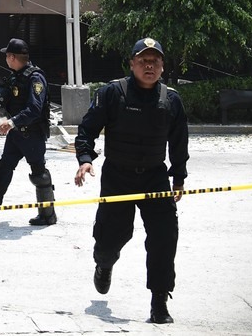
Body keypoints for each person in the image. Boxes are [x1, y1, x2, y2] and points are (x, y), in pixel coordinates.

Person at [74, 37, 189, 325]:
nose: (149, 65)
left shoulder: (171, 99)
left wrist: (179, 177)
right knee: (112, 237)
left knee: (164, 238)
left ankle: (159, 302)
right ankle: (104, 262)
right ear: (132, 64)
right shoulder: (113, 93)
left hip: (154, 177)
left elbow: (179, 143)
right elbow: (87, 129)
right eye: (143, 60)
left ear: (162, 66)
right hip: (117, 176)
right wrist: (86, 159)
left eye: (155, 61)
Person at [0, 38, 56, 227]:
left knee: (39, 174)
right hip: (16, 134)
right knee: (2, 169)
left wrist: (11, 122)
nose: (6, 59)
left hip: (32, 134)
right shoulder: (15, 76)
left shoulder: (35, 78)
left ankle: (48, 215)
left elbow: (35, 109)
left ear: (12, 57)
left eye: (7, 56)